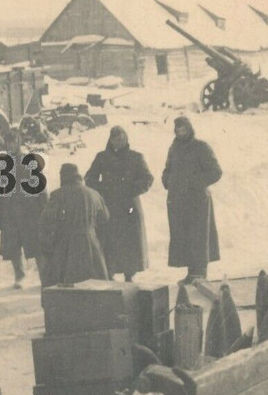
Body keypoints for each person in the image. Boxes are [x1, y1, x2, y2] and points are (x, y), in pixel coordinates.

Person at [85, 126, 153, 282]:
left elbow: (147, 178)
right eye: (115, 139)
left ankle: (130, 273)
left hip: (129, 205)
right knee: (109, 239)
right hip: (108, 206)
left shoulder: (136, 157)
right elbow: (89, 178)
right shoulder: (102, 157)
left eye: (121, 139)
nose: (118, 142)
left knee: (129, 240)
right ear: (110, 140)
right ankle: (109, 271)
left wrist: (131, 189)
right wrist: (103, 190)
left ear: (126, 139)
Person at [162, 116, 222, 283]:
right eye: (178, 129)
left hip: (197, 201)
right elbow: (168, 168)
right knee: (184, 236)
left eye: (183, 129)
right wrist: (167, 179)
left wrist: (194, 182)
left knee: (199, 237)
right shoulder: (174, 148)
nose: (181, 132)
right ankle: (191, 274)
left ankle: (200, 274)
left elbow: (216, 171)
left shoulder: (201, 147)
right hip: (178, 201)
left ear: (189, 129)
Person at [0, 130, 48, 288]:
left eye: (14, 141)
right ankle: (20, 276)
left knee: (36, 245)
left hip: (30, 211)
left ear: (19, 142)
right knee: (13, 247)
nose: (11, 145)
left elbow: (40, 187)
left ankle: (45, 278)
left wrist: (44, 208)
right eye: (8, 142)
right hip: (9, 212)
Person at [39, 162, 109, 285]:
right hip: (91, 243)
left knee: (64, 283)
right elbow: (105, 217)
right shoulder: (93, 193)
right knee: (95, 283)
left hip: (66, 244)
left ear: (63, 176)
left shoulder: (58, 194)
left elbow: (46, 220)